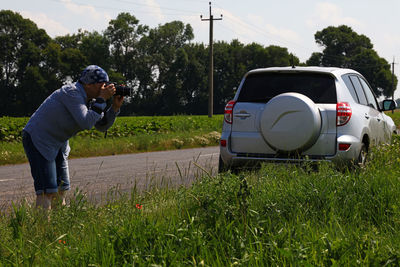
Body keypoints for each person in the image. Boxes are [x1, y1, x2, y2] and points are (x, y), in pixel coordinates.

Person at [22, 65, 124, 209]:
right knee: (47, 191)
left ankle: (58, 226)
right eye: (103, 85)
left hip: (58, 142)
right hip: (40, 138)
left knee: (62, 189)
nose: (106, 88)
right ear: (89, 84)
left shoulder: (90, 99)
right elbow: (86, 122)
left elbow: (101, 126)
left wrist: (114, 108)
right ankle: (42, 229)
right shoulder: (72, 92)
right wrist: (102, 99)